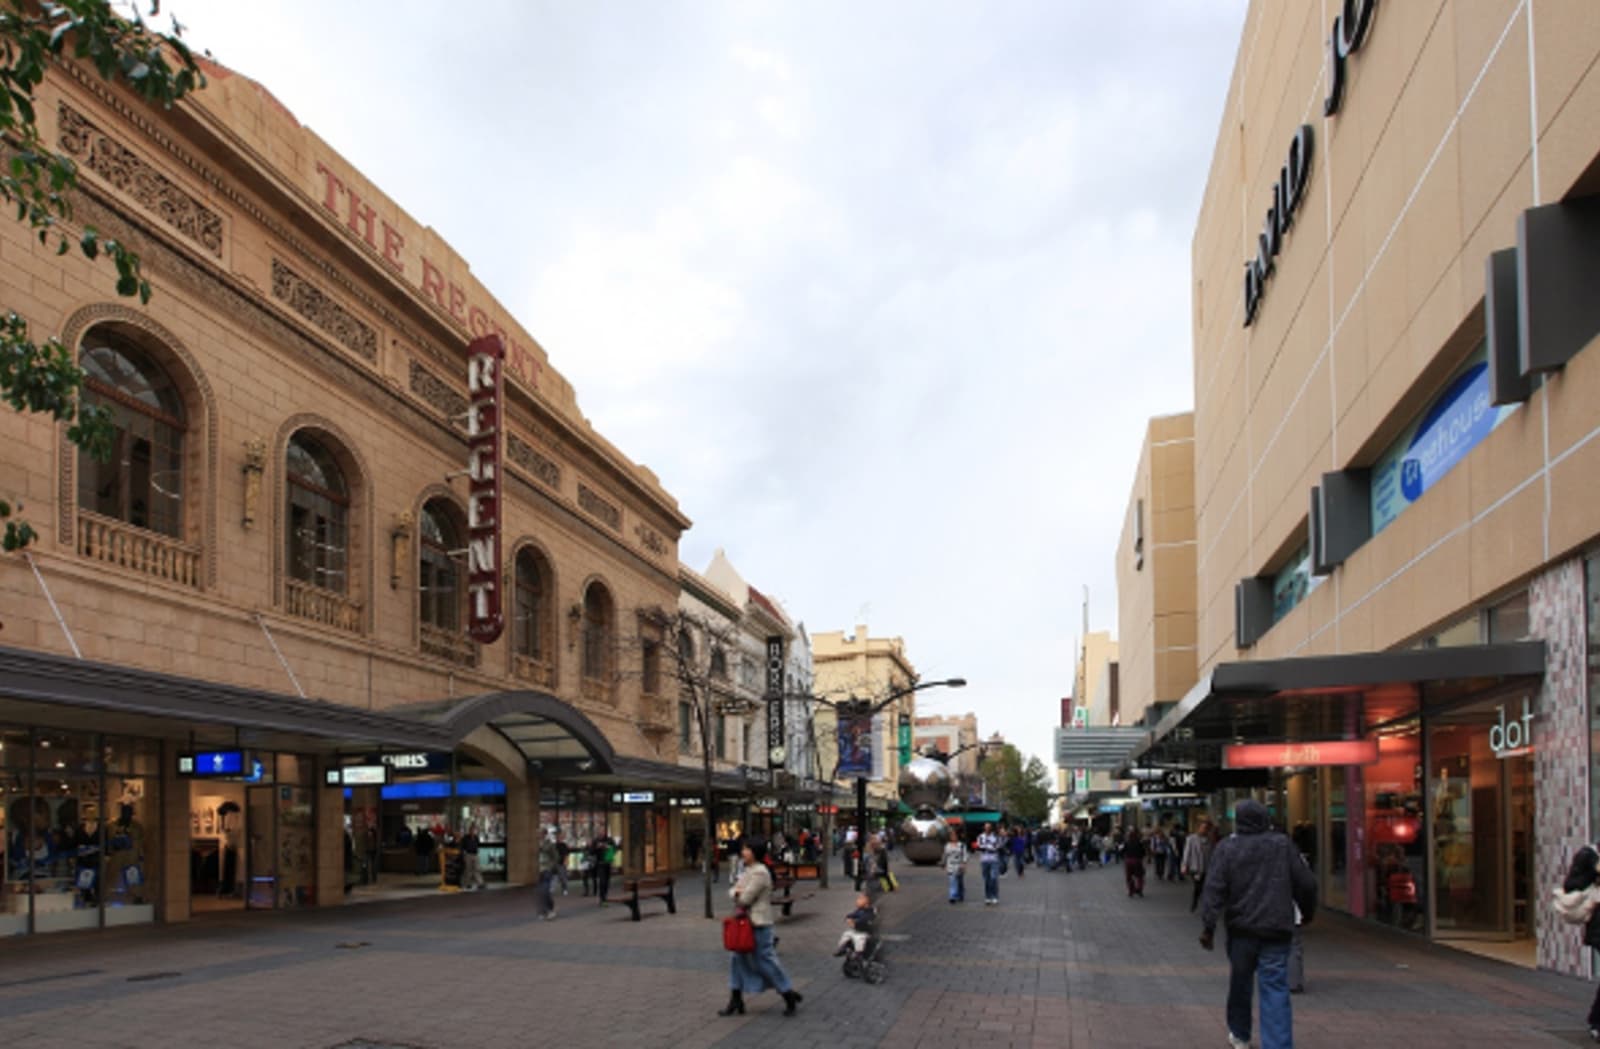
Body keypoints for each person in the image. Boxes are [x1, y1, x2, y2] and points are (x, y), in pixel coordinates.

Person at [1199, 799, 1318, 1049]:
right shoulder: (1282, 845)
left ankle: (1240, 1034)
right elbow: (1305, 883)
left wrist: (1209, 926)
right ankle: (1277, 1044)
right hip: (1276, 928)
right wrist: (1307, 912)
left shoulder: (1227, 848)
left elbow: (1214, 889)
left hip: (1241, 930)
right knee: (1275, 987)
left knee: (1240, 983)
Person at [719, 837, 803, 1017]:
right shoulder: (748, 870)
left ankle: (787, 993)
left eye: (746, 849)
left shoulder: (760, 872)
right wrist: (736, 891)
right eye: (743, 849)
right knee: (737, 960)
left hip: (758, 923)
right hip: (744, 922)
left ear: (755, 852)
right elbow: (733, 890)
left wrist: (737, 892)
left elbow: (744, 898)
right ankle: (736, 999)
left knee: (765, 961)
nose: (743, 852)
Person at [1552, 844, 1600, 1040]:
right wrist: (1594, 873)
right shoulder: (1590, 854)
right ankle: (1596, 1022)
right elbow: (1571, 885)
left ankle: (1596, 1019)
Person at [1182, 819, 1215, 913]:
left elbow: (1213, 853)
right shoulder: (1191, 838)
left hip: (1207, 867)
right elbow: (1187, 852)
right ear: (1199, 828)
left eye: (1207, 828)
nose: (1205, 830)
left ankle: (1206, 904)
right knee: (1198, 886)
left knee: (1207, 887)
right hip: (1196, 868)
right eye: (1203, 827)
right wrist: (1184, 865)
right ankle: (1195, 902)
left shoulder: (1210, 839)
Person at [833, 891, 877, 956]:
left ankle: (858, 953)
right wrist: (848, 918)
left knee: (859, 939)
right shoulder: (859, 910)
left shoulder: (869, 911)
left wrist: (854, 922)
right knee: (846, 934)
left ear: (867, 902)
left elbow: (864, 920)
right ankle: (842, 948)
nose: (857, 901)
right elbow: (851, 915)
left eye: (860, 899)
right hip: (856, 930)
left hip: (864, 932)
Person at [536, 830, 560, 920]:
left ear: (544, 834)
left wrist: (550, 867)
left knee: (546, 891)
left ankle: (551, 910)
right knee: (541, 892)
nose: (538, 835)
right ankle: (544, 911)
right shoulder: (537, 843)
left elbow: (556, 857)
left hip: (547, 870)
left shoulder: (549, 844)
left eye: (539, 833)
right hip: (540, 870)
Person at [976, 823, 1001, 905]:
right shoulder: (980, 837)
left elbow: (997, 846)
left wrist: (989, 848)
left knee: (993, 878)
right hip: (984, 860)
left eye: (989, 827)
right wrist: (988, 847)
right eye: (986, 827)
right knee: (986, 879)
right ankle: (988, 897)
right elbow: (979, 846)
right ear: (984, 828)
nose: (987, 829)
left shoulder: (995, 837)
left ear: (991, 828)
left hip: (994, 860)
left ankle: (995, 896)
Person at [943, 828, 968, 903]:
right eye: (952, 835)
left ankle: (961, 894)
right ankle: (952, 896)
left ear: (957, 836)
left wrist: (964, 864)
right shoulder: (947, 845)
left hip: (959, 865)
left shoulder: (961, 845)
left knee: (960, 882)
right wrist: (944, 863)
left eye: (954, 835)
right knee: (952, 881)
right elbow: (945, 855)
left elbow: (965, 855)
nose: (953, 837)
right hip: (950, 865)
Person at [1123, 828, 1147, 898]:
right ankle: (1139, 890)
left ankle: (1131, 890)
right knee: (1139, 876)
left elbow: (1122, 851)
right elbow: (1143, 852)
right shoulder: (1139, 843)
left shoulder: (1127, 843)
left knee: (1129, 876)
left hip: (1128, 861)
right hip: (1137, 860)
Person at [460, 823, 484, 891]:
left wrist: (477, 850)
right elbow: (462, 846)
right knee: (468, 869)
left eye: (474, 830)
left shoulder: (476, 837)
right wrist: (464, 854)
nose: (473, 831)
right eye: (471, 830)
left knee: (477, 869)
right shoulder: (465, 838)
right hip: (468, 854)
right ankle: (468, 883)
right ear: (469, 830)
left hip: (475, 854)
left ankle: (480, 883)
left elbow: (478, 844)